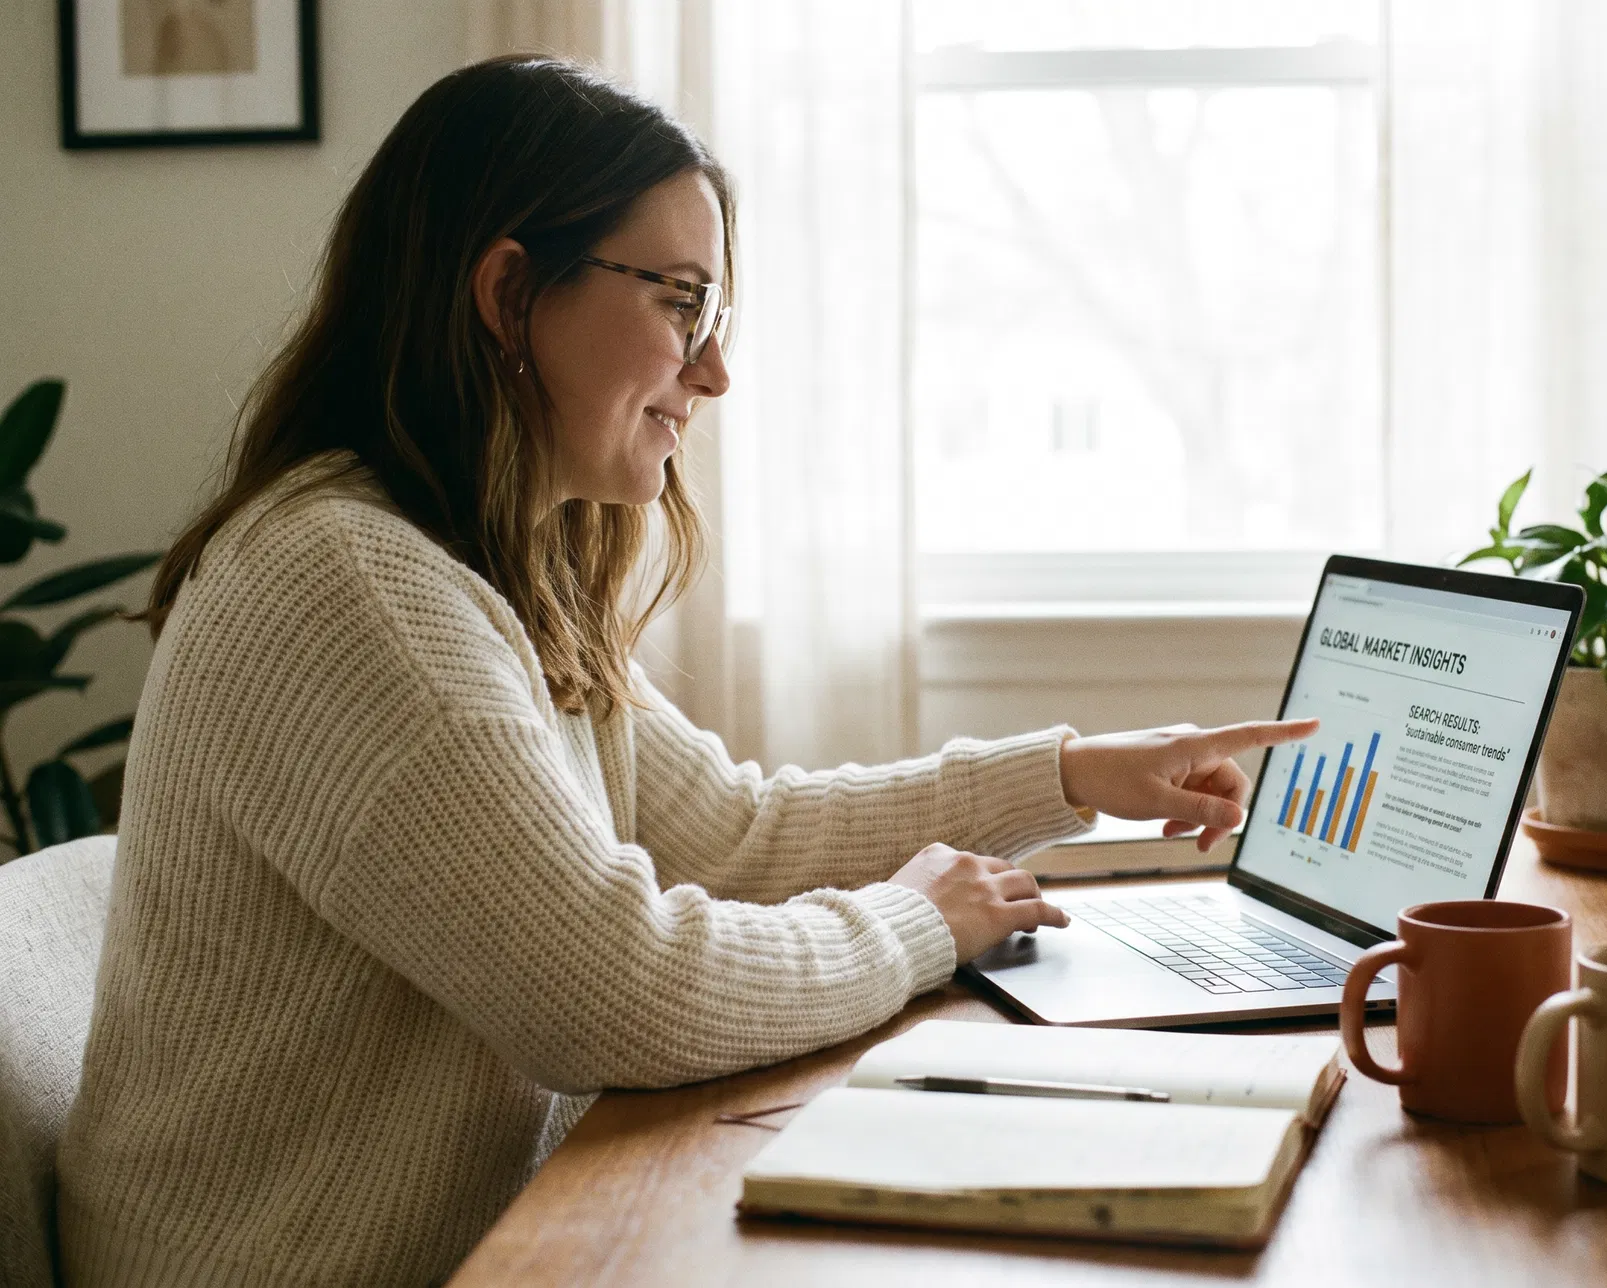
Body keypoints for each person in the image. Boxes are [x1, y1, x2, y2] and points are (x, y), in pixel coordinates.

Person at [55, 57, 1315, 1286]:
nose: (713, 371)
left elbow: (736, 833)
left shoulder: (485, 570)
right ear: (507, 296)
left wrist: (1074, 771)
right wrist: (919, 923)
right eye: (680, 303)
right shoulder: (347, 584)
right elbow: (616, 995)